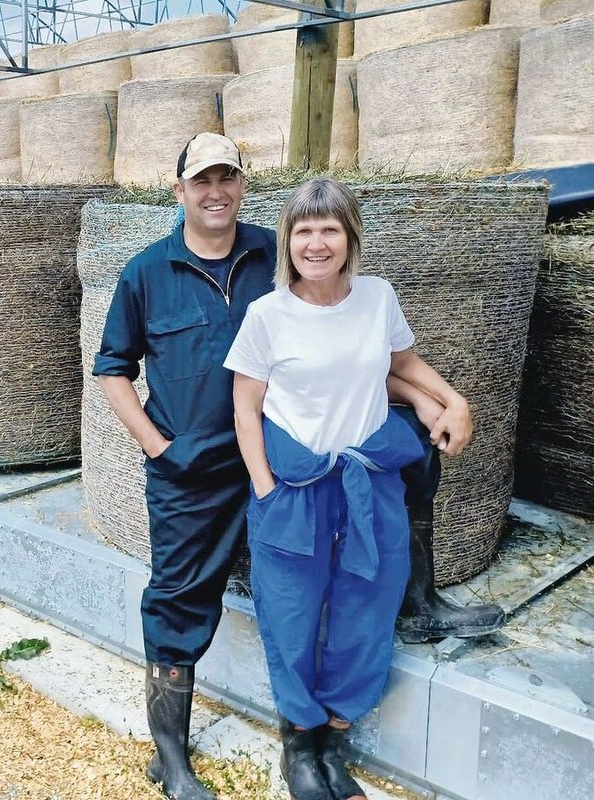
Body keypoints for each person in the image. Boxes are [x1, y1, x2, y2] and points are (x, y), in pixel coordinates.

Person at [92, 135, 499, 800]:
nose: (215, 191)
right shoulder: (147, 272)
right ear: (179, 192)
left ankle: (418, 603)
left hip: (285, 456)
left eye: (227, 178)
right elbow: (112, 368)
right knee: (179, 596)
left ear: (244, 186)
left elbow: (346, 361)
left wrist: (436, 400)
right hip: (195, 462)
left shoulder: (276, 256)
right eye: (202, 181)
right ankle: (171, 757)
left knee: (406, 468)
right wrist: (158, 446)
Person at [224, 177, 471, 800]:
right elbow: (245, 409)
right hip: (295, 486)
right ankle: (299, 745)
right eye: (303, 230)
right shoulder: (267, 315)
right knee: (290, 613)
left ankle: (334, 739)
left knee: (369, 604)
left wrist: (452, 400)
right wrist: (265, 488)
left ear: (349, 237)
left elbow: (402, 366)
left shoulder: (376, 298)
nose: (316, 242)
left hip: (367, 482)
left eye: (329, 228)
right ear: (288, 242)